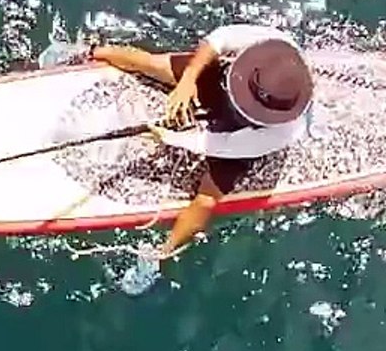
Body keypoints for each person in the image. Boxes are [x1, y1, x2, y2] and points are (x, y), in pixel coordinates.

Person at [84, 23, 314, 263]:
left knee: (206, 199)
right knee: (153, 64)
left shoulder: (280, 133)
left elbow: (217, 144)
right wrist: (188, 81)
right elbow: (219, 38)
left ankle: (161, 252)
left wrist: (167, 136)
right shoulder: (273, 41)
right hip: (228, 79)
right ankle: (91, 51)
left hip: (244, 132)